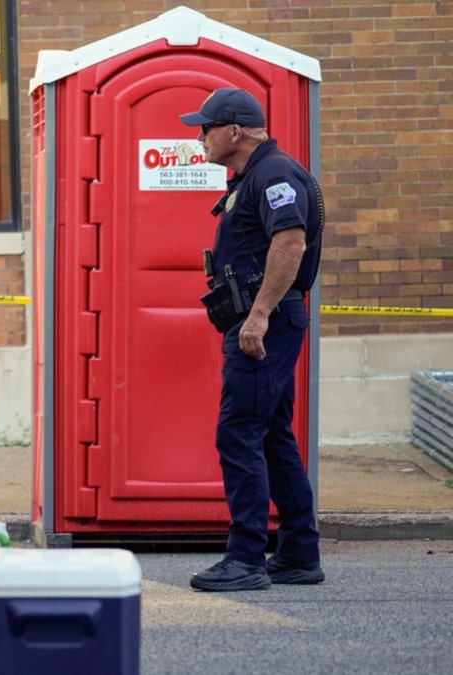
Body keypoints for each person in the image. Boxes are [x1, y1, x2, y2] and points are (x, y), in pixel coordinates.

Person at [180, 88, 326, 591]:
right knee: (270, 433)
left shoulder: (275, 174)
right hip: (261, 321)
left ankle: (246, 558)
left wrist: (259, 315)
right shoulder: (258, 174)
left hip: (263, 325)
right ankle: (299, 554)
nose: (199, 137)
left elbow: (291, 242)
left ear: (234, 131)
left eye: (205, 128)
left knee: (238, 432)